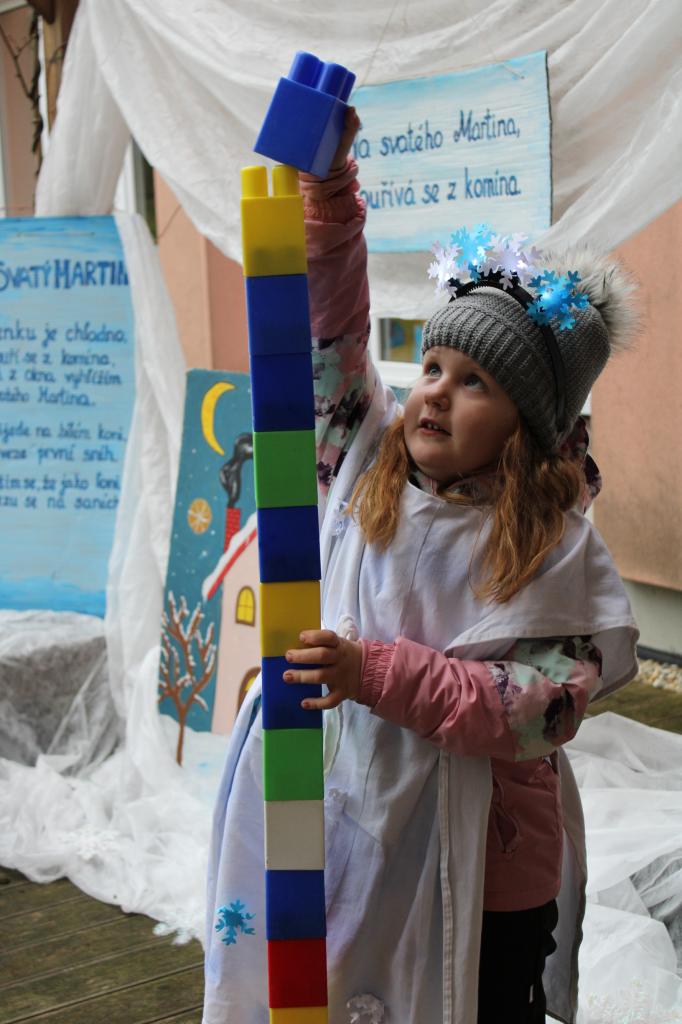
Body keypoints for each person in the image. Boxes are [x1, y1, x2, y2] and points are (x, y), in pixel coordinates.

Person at [203, 110, 639, 1024]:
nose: (436, 390)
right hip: (358, 816)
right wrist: (330, 197)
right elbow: (331, 334)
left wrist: (377, 672)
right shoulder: (364, 459)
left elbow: (538, 709)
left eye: (476, 381)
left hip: (491, 867)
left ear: (527, 427)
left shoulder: (555, 545)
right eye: (432, 365)